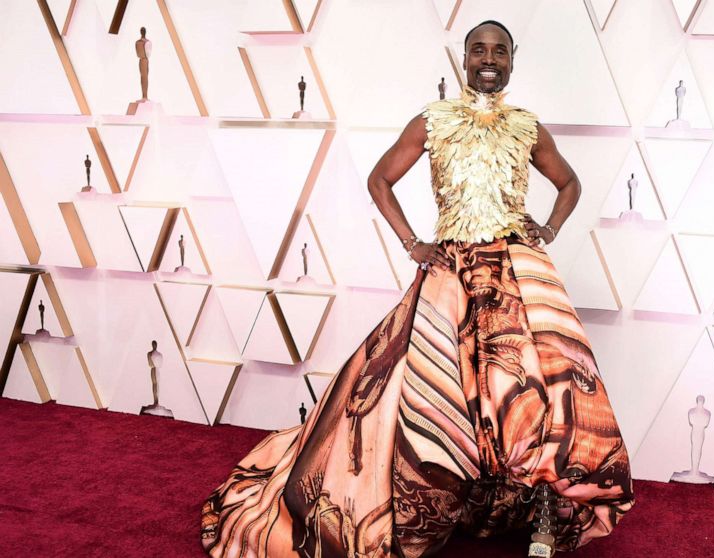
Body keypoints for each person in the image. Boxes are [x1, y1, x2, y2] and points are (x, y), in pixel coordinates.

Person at [201, 20, 634, 558]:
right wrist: (412, 243)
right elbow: (380, 179)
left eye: (500, 50)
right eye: (479, 49)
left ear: (513, 60)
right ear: (465, 58)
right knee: (435, 391)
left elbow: (569, 183)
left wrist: (546, 230)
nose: (489, 58)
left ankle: (543, 507)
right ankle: (439, 499)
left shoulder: (528, 127)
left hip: (516, 269)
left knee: (546, 384)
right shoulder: (433, 121)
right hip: (449, 271)